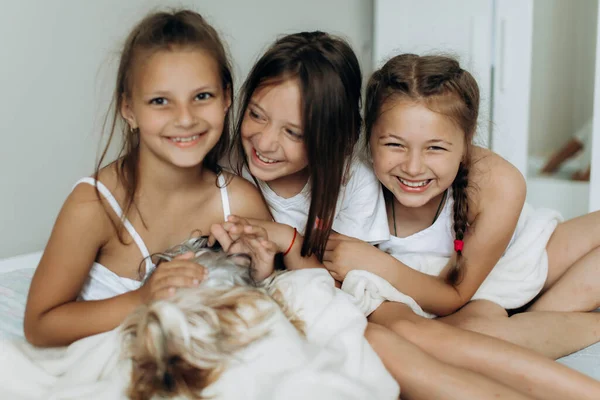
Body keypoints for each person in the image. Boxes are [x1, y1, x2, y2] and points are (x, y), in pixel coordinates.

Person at [323, 53, 600, 360]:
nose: (413, 167)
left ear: (466, 142)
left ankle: (542, 316)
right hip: (452, 296)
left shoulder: (499, 181)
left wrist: (378, 264)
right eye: (394, 145)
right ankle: (539, 323)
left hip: (513, 259)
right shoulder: (351, 182)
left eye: (435, 148)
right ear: (369, 137)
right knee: (465, 337)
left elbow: (454, 294)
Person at [23, 9, 271, 347]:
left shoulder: (241, 201)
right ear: (129, 109)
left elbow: (260, 309)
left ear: (226, 98)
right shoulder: (94, 205)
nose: (185, 118)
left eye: (202, 96)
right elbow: (40, 326)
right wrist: (142, 299)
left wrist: (261, 272)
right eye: (160, 101)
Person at [228, 31, 389, 263]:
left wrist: (288, 238)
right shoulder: (227, 169)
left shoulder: (355, 182)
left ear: (336, 137)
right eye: (256, 115)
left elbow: (346, 282)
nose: (264, 143)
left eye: (293, 132)